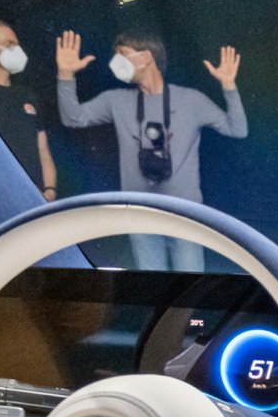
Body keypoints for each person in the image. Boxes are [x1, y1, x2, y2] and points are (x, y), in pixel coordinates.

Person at [55, 29, 247, 272]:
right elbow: (73, 118)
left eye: (123, 54)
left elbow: (237, 129)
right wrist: (66, 74)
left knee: (190, 283)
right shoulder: (115, 100)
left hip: (185, 214)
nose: (116, 62)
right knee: (150, 282)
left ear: (146, 56)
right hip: (140, 213)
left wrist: (229, 86)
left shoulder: (191, 100)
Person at [0, 18, 58, 200]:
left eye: (17, 44)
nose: (17, 50)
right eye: (9, 44)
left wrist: (50, 189)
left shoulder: (26, 96)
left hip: (34, 197)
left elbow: (43, 149)